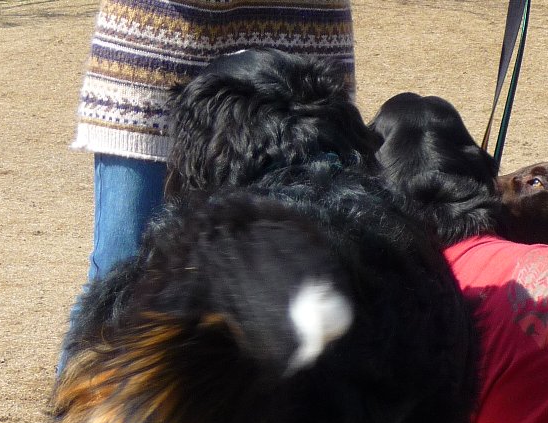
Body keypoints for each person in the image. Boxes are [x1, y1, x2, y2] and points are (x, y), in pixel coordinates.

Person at [61, 0, 356, 372]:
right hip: (156, 50)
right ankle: (91, 408)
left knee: (316, 278)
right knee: (123, 277)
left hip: (304, 55)